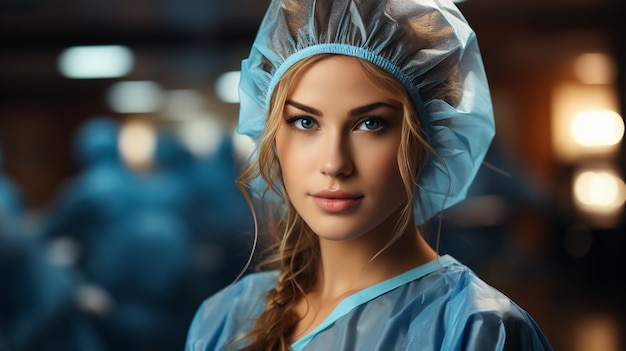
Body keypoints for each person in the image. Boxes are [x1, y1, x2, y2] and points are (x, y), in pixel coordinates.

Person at [185, 0, 553, 350]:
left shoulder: (477, 330)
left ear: (430, 136)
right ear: (271, 135)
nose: (334, 162)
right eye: (305, 121)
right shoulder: (223, 320)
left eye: (370, 123)